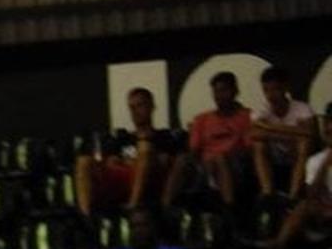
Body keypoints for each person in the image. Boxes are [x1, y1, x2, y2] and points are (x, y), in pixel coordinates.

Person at [74, 87, 178, 217]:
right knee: (84, 161)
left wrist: (134, 160)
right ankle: (86, 216)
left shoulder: (164, 136)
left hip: (149, 181)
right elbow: (111, 162)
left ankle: (133, 207)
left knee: (145, 149)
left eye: (140, 106)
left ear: (151, 107)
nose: (135, 112)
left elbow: (166, 162)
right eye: (131, 108)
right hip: (121, 179)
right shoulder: (122, 138)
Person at [172, 71, 254, 210]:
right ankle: (167, 208)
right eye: (216, 91)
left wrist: (223, 157)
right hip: (205, 167)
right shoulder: (202, 119)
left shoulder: (247, 116)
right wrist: (204, 163)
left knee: (220, 159)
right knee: (181, 160)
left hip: (234, 166)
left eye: (224, 90)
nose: (219, 96)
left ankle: (229, 210)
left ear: (235, 91)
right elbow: (194, 150)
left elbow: (248, 149)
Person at [251, 66, 316, 200]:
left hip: (296, 154)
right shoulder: (262, 110)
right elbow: (255, 134)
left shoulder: (302, 109)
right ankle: (267, 193)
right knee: (258, 145)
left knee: (304, 143)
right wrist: (291, 135)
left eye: (275, 89)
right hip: (275, 155)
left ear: (285, 88)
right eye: (266, 90)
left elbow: (309, 132)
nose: (270, 95)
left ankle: (293, 196)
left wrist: (269, 127)